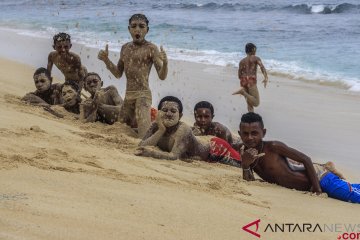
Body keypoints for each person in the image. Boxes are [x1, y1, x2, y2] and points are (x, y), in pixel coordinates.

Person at [239, 112, 359, 203]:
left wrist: (318, 190)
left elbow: (305, 159)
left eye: (254, 133)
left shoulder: (273, 147)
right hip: (308, 186)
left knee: (353, 196)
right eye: (245, 133)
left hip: (321, 179)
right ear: (240, 134)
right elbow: (249, 181)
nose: (249, 137)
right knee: (353, 190)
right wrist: (245, 164)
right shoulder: (246, 153)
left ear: (263, 133)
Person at [98, 13, 168, 137]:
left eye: (141, 26)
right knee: (120, 128)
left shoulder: (151, 48)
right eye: (134, 26)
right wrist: (106, 60)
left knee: (144, 135)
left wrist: (165, 63)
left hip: (143, 96)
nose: (137, 30)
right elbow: (118, 73)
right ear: (129, 29)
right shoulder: (125, 48)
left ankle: (157, 132)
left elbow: (162, 76)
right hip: (128, 96)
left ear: (147, 30)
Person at [136, 96, 241, 168]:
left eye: (173, 111)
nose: (168, 114)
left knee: (243, 163)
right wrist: (161, 130)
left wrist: (152, 153)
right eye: (164, 110)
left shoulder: (183, 129)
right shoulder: (156, 125)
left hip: (215, 149)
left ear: (180, 116)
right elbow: (142, 145)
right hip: (205, 139)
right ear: (158, 113)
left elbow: (174, 156)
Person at [233, 43, 268, 112]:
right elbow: (262, 67)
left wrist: (243, 82)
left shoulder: (241, 61)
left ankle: (251, 117)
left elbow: (239, 74)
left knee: (249, 103)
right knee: (256, 102)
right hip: (251, 80)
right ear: (253, 50)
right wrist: (266, 77)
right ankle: (243, 92)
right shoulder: (256, 58)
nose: (256, 51)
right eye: (255, 50)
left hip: (243, 80)